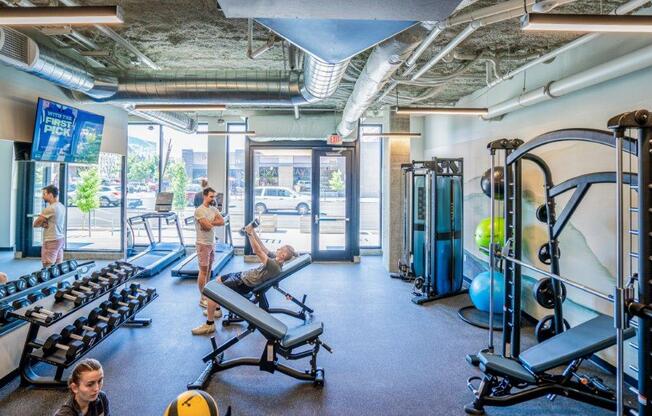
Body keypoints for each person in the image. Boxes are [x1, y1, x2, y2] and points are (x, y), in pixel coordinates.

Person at [192, 221, 296, 335]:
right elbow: (262, 247)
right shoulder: (275, 260)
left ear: (283, 255)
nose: (278, 248)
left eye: (281, 249)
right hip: (242, 276)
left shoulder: (274, 266)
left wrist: (250, 234)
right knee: (218, 280)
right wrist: (252, 231)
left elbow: (257, 251)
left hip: (242, 283)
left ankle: (209, 324)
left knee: (212, 291)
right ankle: (216, 311)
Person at [193, 187, 225, 330]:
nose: (213, 199)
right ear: (205, 196)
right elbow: (205, 227)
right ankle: (202, 297)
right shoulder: (199, 210)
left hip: (212, 243)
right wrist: (211, 223)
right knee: (203, 272)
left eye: (214, 196)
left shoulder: (213, 209)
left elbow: (221, 222)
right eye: (211, 196)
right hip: (202, 244)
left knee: (210, 270)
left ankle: (207, 295)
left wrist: (209, 223)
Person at [33, 185, 66, 267]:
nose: (42, 197)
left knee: (47, 267)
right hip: (60, 239)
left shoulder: (50, 208)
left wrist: (43, 223)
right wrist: (45, 223)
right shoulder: (61, 206)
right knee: (59, 267)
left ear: (50, 195)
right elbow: (54, 221)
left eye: (44, 194)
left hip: (51, 240)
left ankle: (48, 281)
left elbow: (35, 224)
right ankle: (59, 280)